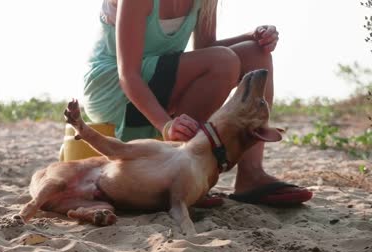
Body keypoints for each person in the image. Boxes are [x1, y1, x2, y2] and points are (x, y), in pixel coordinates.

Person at [83, 0, 312, 205]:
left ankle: (251, 174)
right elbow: (128, 75)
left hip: (159, 80)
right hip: (114, 90)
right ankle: (179, 163)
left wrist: (252, 36)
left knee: (256, 54)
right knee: (224, 61)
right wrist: (166, 125)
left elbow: (205, 48)